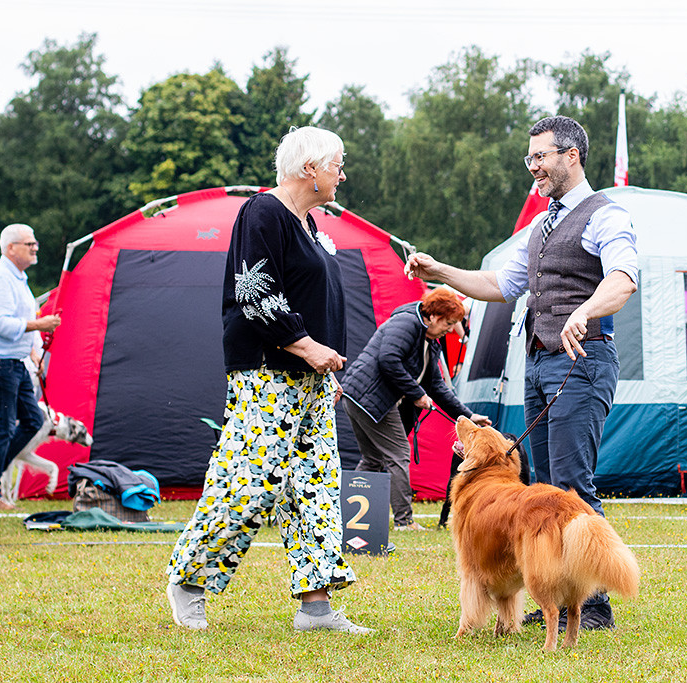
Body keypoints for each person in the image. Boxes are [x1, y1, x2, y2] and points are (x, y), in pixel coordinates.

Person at [405, 115, 638, 631]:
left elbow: (623, 279)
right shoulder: (539, 226)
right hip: (538, 364)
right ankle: (556, 595)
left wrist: (585, 311)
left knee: (571, 484)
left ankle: (595, 606)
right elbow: (499, 284)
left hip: (582, 362)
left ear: (571, 156)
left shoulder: (606, 215)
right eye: (529, 157)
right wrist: (438, 271)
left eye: (541, 156)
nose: (532, 166)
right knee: (545, 491)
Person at [166, 126, 372, 635]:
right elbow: (254, 291)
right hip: (268, 373)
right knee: (249, 482)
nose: (343, 175)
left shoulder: (311, 224)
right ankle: (188, 582)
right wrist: (305, 345)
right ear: (310, 169)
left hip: (311, 381)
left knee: (314, 490)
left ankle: (316, 608)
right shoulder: (263, 212)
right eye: (338, 165)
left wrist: (325, 369)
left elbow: (317, 299)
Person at [341, 288, 490, 531]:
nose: (450, 330)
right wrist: (417, 393)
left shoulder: (430, 340)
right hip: (369, 399)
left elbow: (437, 387)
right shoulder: (407, 323)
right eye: (448, 323)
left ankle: (350, 520)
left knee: (372, 459)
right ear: (434, 316)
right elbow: (388, 359)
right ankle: (404, 521)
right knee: (399, 453)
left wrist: (469, 416)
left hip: (358, 397)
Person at [0, 223, 61, 511]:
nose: (35, 248)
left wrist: (34, 353)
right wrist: (40, 325)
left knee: (33, 420)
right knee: (3, 428)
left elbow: (21, 319)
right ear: (10, 248)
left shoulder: (18, 277)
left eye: (35, 243)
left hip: (15, 362)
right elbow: (0, 324)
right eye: (29, 244)